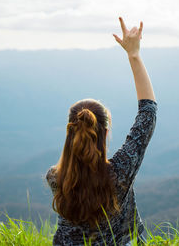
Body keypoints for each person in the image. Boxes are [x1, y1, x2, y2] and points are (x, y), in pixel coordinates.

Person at [46, 17, 157, 246]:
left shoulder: (56, 178)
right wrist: (133, 55)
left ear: (71, 136)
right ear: (105, 135)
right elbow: (148, 113)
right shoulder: (119, 174)